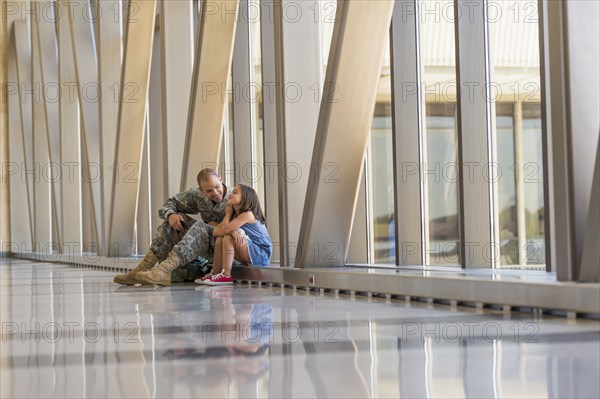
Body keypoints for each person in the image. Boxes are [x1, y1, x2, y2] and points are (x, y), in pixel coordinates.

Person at [113, 168, 231, 286]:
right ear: (201, 190)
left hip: (224, 247)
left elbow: (245, 229)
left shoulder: (234, 197)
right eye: (209, 190)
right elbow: (170, 203)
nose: (215, 193)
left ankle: (164, 270)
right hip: (206, 242)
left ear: (221, 179)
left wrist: (220, 227)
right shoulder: (198, 196)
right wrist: (170, 215)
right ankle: (142, 269)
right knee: (176, 219)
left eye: (217, 187)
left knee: (200, 227)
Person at [196, 184, 272, 286]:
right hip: (251, 250)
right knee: (219, 239)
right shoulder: (235, 215)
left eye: (235, 193)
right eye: (232, 192)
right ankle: (216, 273)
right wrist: (232, 231)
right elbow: (215, 232)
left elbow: (225, 229)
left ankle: (226, 275)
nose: (230, 194)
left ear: (245, 198)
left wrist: (227, 215)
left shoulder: (248, 214)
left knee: (228, 238)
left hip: (261, 252)